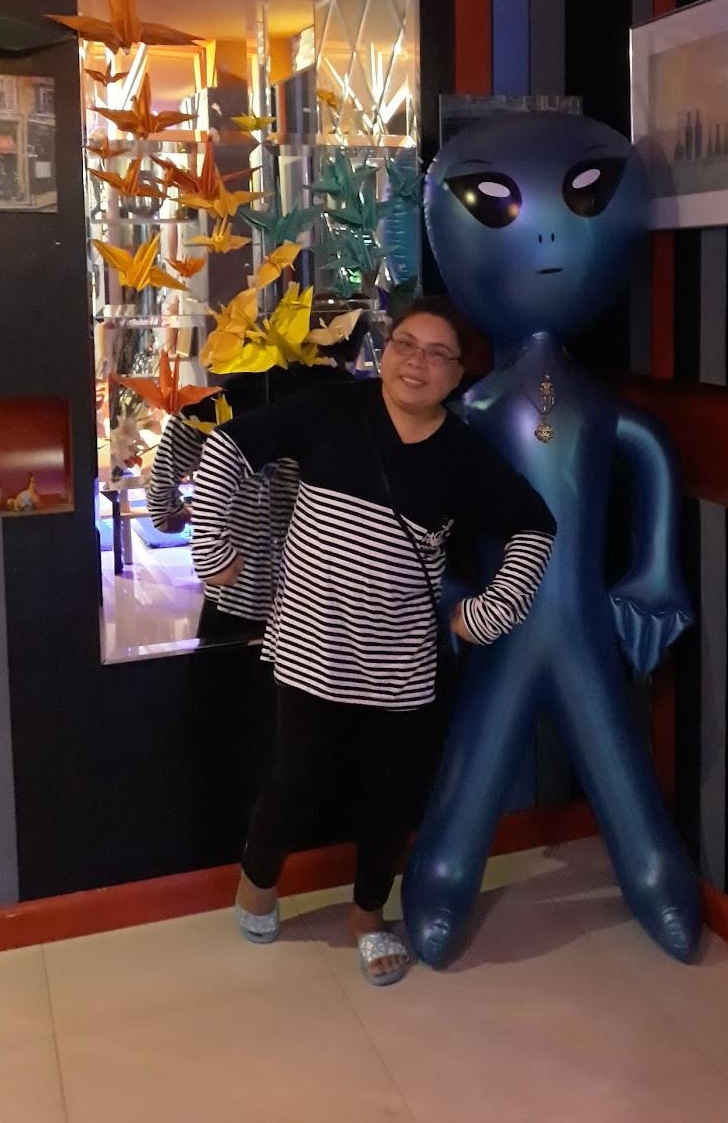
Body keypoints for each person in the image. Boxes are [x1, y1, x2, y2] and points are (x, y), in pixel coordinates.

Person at [189, 296, 556, 986]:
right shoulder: (333, 408)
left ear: (458, 375)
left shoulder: (462, 454)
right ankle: (256, 885)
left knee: (389, 799)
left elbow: (534, 527)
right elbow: (227, 447)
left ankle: (366, 916)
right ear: (384, 352)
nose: (416, 363)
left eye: (437, 354)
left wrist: (488, 615)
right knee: (295, 782)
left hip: (402, 661)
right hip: (309, 647)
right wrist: (212, 550)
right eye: (405, 344)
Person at [147, 359, 354, 647]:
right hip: (321, 596)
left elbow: (160, 496)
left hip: (237, 585)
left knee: (226, 671)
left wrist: (176, 516)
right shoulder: (353, 401)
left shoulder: (217, 399)